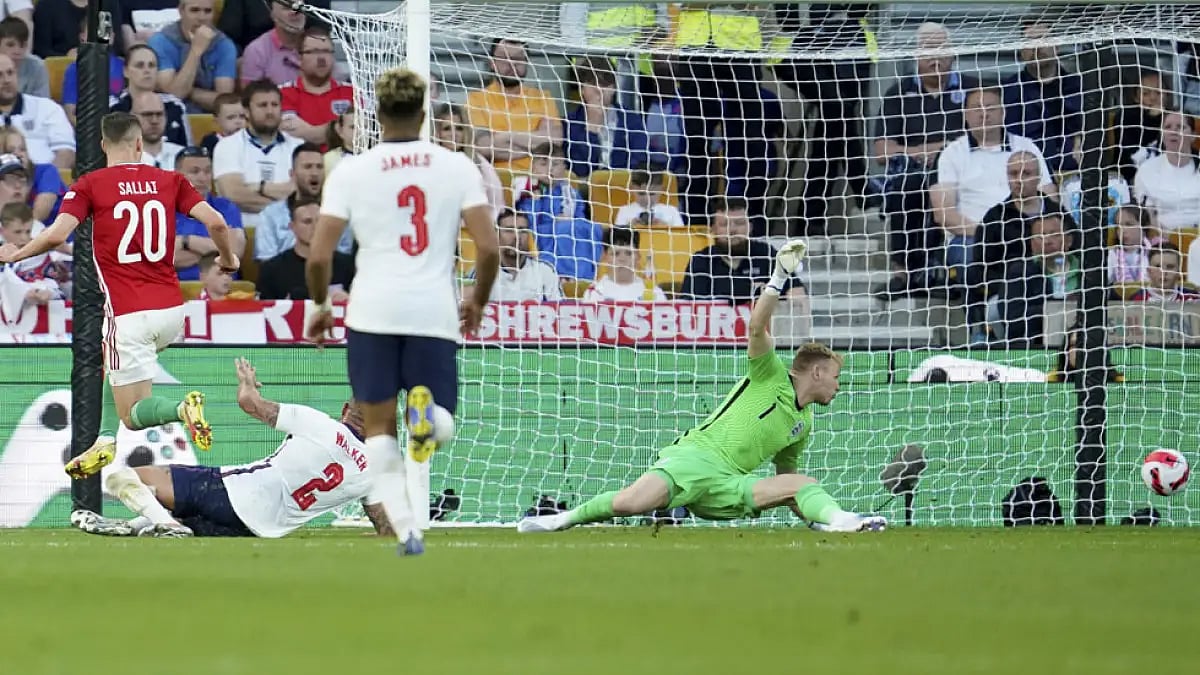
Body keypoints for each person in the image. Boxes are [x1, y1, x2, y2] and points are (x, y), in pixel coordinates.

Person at [519, 240, 887, 534]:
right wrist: (779, 277)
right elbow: (757, 327)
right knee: (630, 503)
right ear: (817, 373)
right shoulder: (769, 373)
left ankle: (841, 521)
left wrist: (816, 515)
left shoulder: (803, 423)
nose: (839, 387)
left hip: (729, 486)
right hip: (695, 459)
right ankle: (560, 520)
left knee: (802, 480)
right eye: (836, 377)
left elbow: (785, 480)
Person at [305, 67, 499, 555]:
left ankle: (407, 530)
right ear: (424, 108)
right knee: (441, 424)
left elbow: (320, 256)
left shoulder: (351, 170)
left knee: (377, 433)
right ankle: (428, 418)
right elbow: (490, 248)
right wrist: (476, 300)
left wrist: (321, 305)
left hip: (371, 312)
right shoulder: (455, 166)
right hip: (431, 312)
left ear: (377, 111)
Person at [0, 112, 240, 481]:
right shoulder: (171, 180)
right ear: (140, 144)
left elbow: (53, 236)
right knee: (108, 361)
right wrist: (228, 258)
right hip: (172, 312)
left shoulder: (89, 185)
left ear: (101, 146)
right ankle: (105, 439)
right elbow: (218, 223)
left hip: (128, 314)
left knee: (134, 412)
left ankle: (180, 409)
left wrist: (15, 254)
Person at [70, 358, 397, 539]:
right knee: (177, 517)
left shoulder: (320, 424)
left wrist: (248, 385)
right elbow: (384, 526)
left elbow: (249, 404)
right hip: (256, 530)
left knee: (123, 479)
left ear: (344, 410)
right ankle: (141, 527)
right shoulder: (373, 471)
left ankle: (164, 525)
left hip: (230, 492)